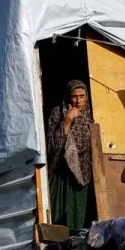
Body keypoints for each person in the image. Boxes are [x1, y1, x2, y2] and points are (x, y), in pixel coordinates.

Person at [45, 80, 95, 231]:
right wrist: (67, 120)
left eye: (82, 96)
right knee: (59, 217)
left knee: (79, 215)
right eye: (74, 96)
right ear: (68, 97)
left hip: (83, 171)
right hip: (62, 172)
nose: (78, 101)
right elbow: (51, 145)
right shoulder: (57, 113)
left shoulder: (90, 114)